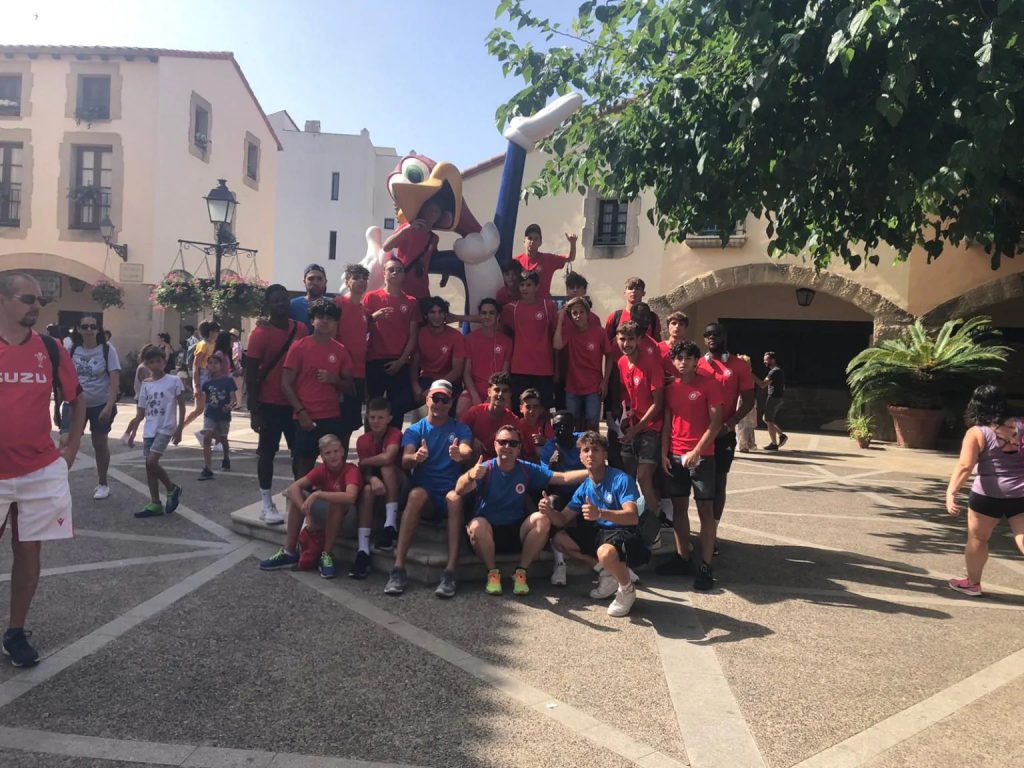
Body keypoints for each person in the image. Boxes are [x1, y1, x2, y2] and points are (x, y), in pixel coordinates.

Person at [0, 272, 85, 668]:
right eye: (27, 299)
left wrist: (71, 448)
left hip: (37, 469)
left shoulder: (49, 349)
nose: (36, 306)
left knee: (28, 550)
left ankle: (15, 632)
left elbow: (76, 399)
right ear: (3, 300)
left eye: (40, 300)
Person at [452, 424, 587, 596]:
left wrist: (593, 471)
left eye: (513, 443)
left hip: (516, 532)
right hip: (487, 533)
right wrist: (470, 475)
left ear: (519, 448)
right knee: (477, 525)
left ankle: (521, 573)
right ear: (495, 444)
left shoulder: (526, 469)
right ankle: (492, 574)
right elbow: (459, 490)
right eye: (503, 442)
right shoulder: (485, 469)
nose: (507, 447)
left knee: (542, 519)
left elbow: (563, 478)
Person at [539, 432, 648, 616]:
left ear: (605, 454)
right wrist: (549, 511)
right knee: (558, 540)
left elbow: (633, 517)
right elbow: (563, 519)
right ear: (580, 456)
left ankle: (627, 590)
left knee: (605, 552)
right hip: (601, 533)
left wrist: (600, 513)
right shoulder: (585, 486)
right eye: (586, 450)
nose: (590, 454)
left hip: (626, 533)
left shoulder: (621, 479)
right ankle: (606, 573)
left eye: (596, 450)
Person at [386, 380, 474, 598]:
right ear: (427, 399)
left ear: (451, 403)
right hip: (426, 495)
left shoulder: (460, 428)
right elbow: (405, 458)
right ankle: (398, 568)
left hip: (449, 492)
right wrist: (415, 457)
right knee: (416, 495)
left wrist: (460, 454)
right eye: (436, 398)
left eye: (445, 400)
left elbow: (466, 449)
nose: (440, 404)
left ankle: (450, 572)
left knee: (455, 498)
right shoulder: (416, 430)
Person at [657, 341, 724, 590]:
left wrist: (696, 451)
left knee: (705, 510)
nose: (683, 362)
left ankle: (705, 566)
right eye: (679, 358)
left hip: (703, 456)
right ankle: (682, 557)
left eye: (688, 358)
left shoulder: (710, 385)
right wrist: (664, 453)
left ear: (696, 361)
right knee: (679, 507)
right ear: (673, 361)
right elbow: (667, 424)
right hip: (675, 455)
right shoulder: (671, 388)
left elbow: (716, 422)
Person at [945, 385, 1024, 596]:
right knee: (1022, 536)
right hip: (1021, 493)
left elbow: (965, 466)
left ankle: (972, 583)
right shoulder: (1022, 425)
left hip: (987, 495)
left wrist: (951, 492)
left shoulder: (976, 432)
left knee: (978, 538)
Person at [246, 284, 309, 523]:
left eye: (284, 299)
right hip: (269, 403)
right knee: (267, 454)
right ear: (268, 305)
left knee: (299, 454)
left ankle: (297, 500)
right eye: (275, 300)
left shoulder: (300, 329)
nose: (281, 304)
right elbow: (251, 374)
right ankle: (266, 503)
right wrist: (254, 410)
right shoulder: (260, 334)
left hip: (295, 403)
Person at [258, 433, 361, 579]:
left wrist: (318, 494)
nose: (333, 456)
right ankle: (289, 552)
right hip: (328, 518)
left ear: (343, 451)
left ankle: (327, 555)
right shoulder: (322, 469)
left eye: (336, 451)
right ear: (322, 456)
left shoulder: (351, 469)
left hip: (349, 523)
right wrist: (307, 513)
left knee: (337, 502)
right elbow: (293, 488)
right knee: (298, 495)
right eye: (328, 453)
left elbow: (351, 497)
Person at [698, 322, 756, 553]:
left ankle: (712, 533)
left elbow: (749, 400)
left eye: (716, 334)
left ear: (724, 337)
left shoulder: (739, 366)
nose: (712, 338)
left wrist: (731, 423)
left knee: (718, 483)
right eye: (707, 334)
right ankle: (701, 533)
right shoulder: (699, 364)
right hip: (699, 435)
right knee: (700, 486)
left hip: (724, 434)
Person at [281, 299, 355, 479]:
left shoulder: (340, 350)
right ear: (312, 320)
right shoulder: (299, 347)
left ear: (335, 322)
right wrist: (301, 413)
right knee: (303, 467)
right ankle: (300, 497)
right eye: (320, 316)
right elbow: (285, 384)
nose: (324, 321)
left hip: (331, 417)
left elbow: (351, 388)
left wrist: (335, 380)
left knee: (335, 466)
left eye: (329, 317)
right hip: (305, 416)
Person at [62, 315, 121, 500]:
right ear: (78, 329)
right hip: (74, 403)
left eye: (93, 327)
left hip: (99, 403)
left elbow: (114, 380)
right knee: (66, 441)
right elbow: (63, 376)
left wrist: (109, 406)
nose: (89, 330)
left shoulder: (107, 349)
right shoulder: (72, 349)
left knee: (100, 443)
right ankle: (59, 483)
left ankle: (103, 483)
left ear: (98, 329)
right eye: (85, 326)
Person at [124, 346, 185, 519]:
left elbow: (181, 405)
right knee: (149, 466)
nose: (156, 364)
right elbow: (141, 411)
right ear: (146, 365)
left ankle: (172, 488)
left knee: (152, 462)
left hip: (166, 427)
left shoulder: (174, 380)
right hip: (150, 428)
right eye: (151, 362)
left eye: (158, 361)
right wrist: (133, 432)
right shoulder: (146, 384)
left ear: (164, 362)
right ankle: (155, 503)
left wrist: (180, 428)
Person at [362, 258, 420, 429]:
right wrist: (374, 317)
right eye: (391, 270)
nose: (395, 273)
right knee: (373, 407)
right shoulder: (371, 297)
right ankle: (369, 443)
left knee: (397, 408)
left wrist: (401, 362)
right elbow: (360, 328)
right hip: (374, 360)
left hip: (400, 362)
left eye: (399, 270)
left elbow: (413, 336)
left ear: (404, 275)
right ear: (384, 273)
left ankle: (392, 444)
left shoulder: (411, 302)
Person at [615, 321, 665, 520]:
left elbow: (658, 403)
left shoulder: (651, 364)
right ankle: (634, 519)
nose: (626, 343)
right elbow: (628, 396)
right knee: (628, 477)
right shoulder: (621, 362)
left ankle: (657, 519)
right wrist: (626, 418)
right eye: (622, 339)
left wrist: (636, 429)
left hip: (651, 426)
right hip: (632, 424)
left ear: (639, 340)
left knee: (644, 477)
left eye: (630, 339)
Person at [353, 397, 403, 573]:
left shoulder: (395, 433)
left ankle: (390, 525)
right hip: (377, 483)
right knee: (367, 491)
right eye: (372, 417)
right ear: (367, 418)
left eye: (380, 417)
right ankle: (363, 550)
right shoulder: (362, 440)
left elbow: (388, 457)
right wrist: (371, 479)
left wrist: (366, 461)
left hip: (399, 484)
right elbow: (364, 471)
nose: (376, 421)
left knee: (386, 467)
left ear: (389, 418)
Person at [540, 410, 587, 586]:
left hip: (585, 491)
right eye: (556, 427)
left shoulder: (584, 440)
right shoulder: (550, 447)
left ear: (573, 427)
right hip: (562, 492)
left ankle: (618, 560)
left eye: (564, 426)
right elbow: (544, 479)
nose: (560, 431)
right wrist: (551, 465)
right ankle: (559, 563)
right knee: (551, 503)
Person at [501, 269, 558, 408]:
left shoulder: (549, 306)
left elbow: (555, 337)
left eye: (529, 285)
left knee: (544, 408)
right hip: (520, 368)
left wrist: (557, 369)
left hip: (544, 368)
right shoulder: (511, 308)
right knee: (520, 408)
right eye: (522, 285)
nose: (524, 288)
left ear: (537, 287)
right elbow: (492, 323)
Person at [553, 296, 611, 431]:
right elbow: (557, 345)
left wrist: (605, 381)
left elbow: (609, 356)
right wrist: (560, 319)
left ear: (587, 313)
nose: (578, 316)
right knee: (573, 423)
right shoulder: (569, 332)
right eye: (574, 313)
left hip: (593, 386)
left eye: (581, 312)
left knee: (592, 422)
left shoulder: (599, 332)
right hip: (572, 386)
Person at [334, 264, 370, 455]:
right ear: (347, 281)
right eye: (356, 277)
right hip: (341, 375)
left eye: (365, 278)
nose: (361, 281)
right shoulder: (338, 304)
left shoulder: (364, 310)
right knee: (336, 425)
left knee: (348, 425)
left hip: (359, 375)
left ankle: (341, 464)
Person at [457, 298, 512, 417]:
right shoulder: (469, 339)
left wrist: (492, 395)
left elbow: (504, 374)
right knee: (461, 408)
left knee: (505, 411)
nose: (487, 316)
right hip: (474, 389)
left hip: (497, 390)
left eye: (491, 313)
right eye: (484, 313)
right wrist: (475, 396)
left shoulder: (507, 342)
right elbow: (466, 373)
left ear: (498, 316)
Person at [381, 200, 442, 300]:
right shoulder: (408, 229)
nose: (433, 213)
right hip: (402, 288)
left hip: (422, 289)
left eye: (436, 211)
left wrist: (445, 274)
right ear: (423, 211)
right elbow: (386, 247)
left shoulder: (434, 238)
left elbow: (434, 257)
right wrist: (406, 229)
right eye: (430, 209)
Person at [411, 296, 465, 405]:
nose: (437, 316)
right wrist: (416, 387)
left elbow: (457, 370)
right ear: (425, 315)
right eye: (432, 312)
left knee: (444, 403)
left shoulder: (456, 336)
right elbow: (414, 364)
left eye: (441, 312)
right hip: (426, 379)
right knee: (399, 403)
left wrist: (435, 388)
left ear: (445, 315)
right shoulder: (419, 333)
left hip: (449, 381)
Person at [461, 373, 519, 458]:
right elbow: (459, 431)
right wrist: (472, 439)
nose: (500, 394)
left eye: (505, 391)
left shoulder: (513, 421)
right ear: (489, 392)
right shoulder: (475, 412)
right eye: (497, 390)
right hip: (474, 461)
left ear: (510, 394)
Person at [197, 352, 236, 480]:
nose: (213, 365)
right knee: (207, 437)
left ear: (221, 365)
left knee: (223, 438)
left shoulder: (228, 380)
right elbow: (207, 399)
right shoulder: (207, 384)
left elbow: (233, 397)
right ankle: (208, 468)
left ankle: (226, 457)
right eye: (210, 363)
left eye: (216, 363)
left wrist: (230, 405)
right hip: (210, 413)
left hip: (223, 414)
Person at [513, 223, 577, 298]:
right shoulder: (516, 261)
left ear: (540, 243)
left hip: (543, 303)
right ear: (524, 241)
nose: (532, 241)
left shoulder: (548, 259)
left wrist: (573, 243)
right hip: (523, 303)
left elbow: (570, 258)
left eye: (536, 239)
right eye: (529, 238)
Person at [183, 320, 219, 429]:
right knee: (199, 409)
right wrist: (196, 386)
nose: (217, 333)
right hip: (202, 376)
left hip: (211, 376)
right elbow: (196, 366)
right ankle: (179, 428)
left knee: (212, 407)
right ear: (210, 332)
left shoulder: (214, 344)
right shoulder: (203, 345)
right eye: (215, 331)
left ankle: (208, 431)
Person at [759, 351, 788, 450]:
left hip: (773, 398)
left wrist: (750, 374)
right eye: (764, 360)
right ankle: (781, 435)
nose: (764, 362)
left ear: (773, 360)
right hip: (777, 398)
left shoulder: (775, 371)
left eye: (766, 360)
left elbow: (762, 384)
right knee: (766, 418)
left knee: (768, 420)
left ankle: (774, 444)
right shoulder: (777, 371)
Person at [291, 263, 330, 333]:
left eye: (319, 278)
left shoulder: (334, 305)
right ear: (304, 282)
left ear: (325, 282)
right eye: (311, 279)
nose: (315, 282)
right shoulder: (292, 305)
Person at [517, 387, 553, 462]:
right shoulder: (516, 426)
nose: (531, 411)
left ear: (540, 409)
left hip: (541, 463)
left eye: (535, 407)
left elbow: (555, 449)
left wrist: (545, 442)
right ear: (521, 408)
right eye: (528, 407)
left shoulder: (545, 426)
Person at [735, 354, 758, 452]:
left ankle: (743, 445)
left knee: (743, 423)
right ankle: (749, 443)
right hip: (747, 399)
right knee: (747, 423)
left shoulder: (744, 374)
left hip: (743, 399)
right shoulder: (749, 373)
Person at [657, 311, 689, 376]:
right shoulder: (658, 347)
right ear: (668, 326)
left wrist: (677, 379)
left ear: (685, 328)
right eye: (673, 323)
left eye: (681, 324)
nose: (677, 326)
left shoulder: (690, 349)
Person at [229, 329, 244, 407]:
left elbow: (237, 356)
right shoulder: (237, 344)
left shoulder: (236, 344)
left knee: (237, 387)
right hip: (236, 366)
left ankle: (238, 404)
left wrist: (234, 365)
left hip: (237, 366)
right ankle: (237, 402)